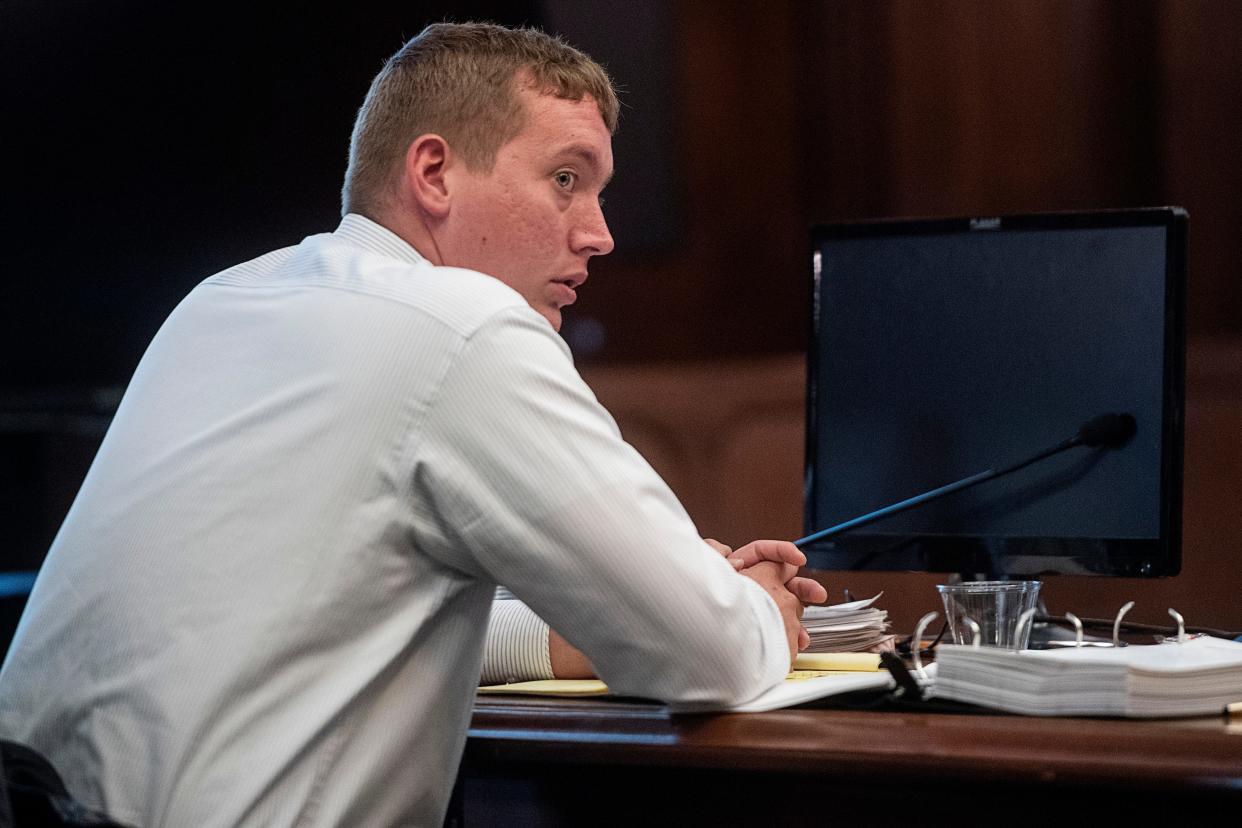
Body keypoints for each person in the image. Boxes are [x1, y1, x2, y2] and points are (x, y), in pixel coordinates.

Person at [0, 22, 825, 826]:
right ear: (433, 172)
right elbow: (711, 657)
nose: (600, 234)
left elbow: (340, 614)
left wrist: (604, 615)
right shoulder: (464, 326)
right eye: (567, 180)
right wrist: (749, 605)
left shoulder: (221, 298)